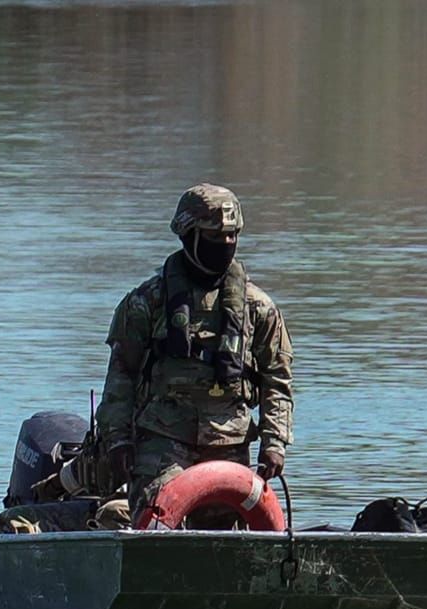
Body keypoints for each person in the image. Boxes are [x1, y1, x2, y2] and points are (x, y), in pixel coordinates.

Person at [94, 184, 294, 518]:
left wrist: (274, 443)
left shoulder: (258, 308)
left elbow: (277, 380)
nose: (226, 244)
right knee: (158, 518)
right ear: (188, 235)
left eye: (232, 236)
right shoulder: (147, 303)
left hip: (230, 443)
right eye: (215, 236)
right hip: (162, 440)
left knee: (227, 536)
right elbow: (120, 376)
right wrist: (117, 440)